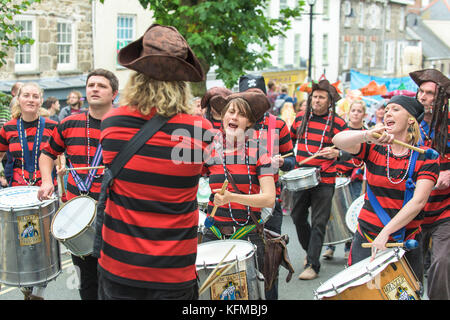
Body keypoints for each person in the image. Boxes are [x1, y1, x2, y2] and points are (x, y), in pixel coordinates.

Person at [91, 24, 214, 300]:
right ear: (182, 83)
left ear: (136, 77)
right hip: (174, 269)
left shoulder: (111, 123)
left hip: (119, 265)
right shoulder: (200, 131)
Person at [333, 95, 439, 284]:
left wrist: (385, 233)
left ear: (411, 120)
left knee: (402, 294)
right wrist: (367, 135)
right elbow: (338, 140)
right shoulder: (374, 148)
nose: (388, 113)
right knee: (362, 293)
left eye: (395, 109)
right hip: (367, 235)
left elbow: (418, 202)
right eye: (387, 109)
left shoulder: (427, 157)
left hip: (405, 240)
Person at [38, 68, 119, 300]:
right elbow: (47, 154)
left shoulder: (124, 125)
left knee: (115, 282)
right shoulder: (68, 123)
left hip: (112, 214)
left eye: (101, 86)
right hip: (77, 217)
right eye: (91, 84)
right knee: (87, 284)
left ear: (114, 93)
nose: (95, 88)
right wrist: (46, 180)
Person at [202, 90, 276, 294]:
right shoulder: (209, 151)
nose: (234, 117)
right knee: (214, 296)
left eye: (240, 114)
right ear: (223, 117)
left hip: (248, 235)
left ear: (249, 123)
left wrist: (232, 197)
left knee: (250, 296)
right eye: (230, 112)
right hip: (213, 234)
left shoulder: (261, 152)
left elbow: (269, 199)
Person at [238, 76, 295, 299]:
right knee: (239, 266)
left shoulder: (278, 124)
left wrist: (282, 162)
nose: (253, 100)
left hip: (270, 206)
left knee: (269, 263)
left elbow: (293, 161)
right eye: (247, 96)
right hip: (239, 205)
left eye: (257, 95)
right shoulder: (233, 123)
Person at [0, 82, 58, 299]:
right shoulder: (8, 129)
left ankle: (37, 293)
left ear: (41, 100)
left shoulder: (52, 126)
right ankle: (28, 290)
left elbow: (58, 154)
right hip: (18, 197)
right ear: (19, 99)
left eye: (35, 96)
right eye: (26, 95)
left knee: (43, 245)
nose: (31, 99)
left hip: (44, 194)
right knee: (23, 246)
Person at [289, 79, 347, 280]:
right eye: (315, 96)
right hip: (301, 176)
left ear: (329, 101)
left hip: (325, 179)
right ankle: (311, 251)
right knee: (297, 216)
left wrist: (337, 153)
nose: (317, 100)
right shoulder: (299, 119)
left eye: (322, 97)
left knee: (319, 221)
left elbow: (350, 150)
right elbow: (289, 144)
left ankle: (313, 264)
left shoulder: (339, 123)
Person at [409, 68, 450, 300]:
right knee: (408, 274)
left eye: (428, 93)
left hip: (445, 211)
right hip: (413, 211)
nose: (422, 97)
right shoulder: (410, 125)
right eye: (420, 92)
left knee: (441, 264)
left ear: (441, 98)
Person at [324, 100, 368, 260]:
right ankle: (330, 245)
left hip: (355, 178)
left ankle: (349, 246)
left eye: (359, 111)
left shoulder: (366, 133)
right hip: (337, 176)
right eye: (353, 110)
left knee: (352, 213)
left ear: (364, 115)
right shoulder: (342, 132)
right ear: (349, 113)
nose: (356, 113)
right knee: (332, 212)